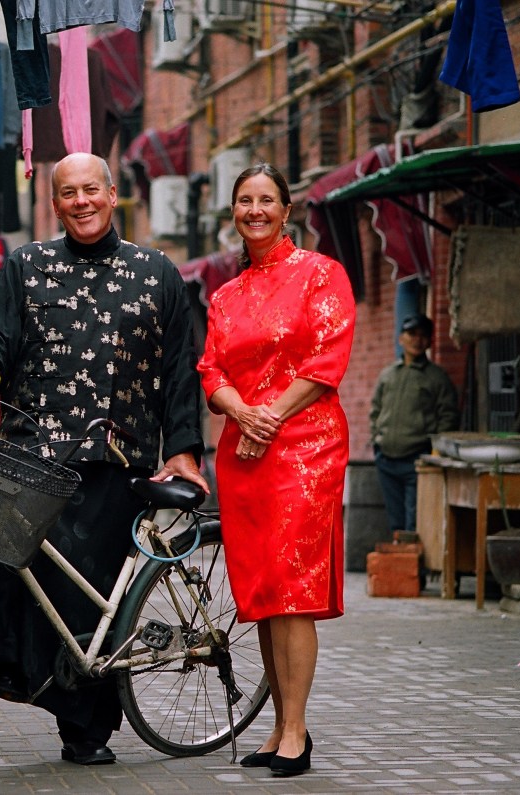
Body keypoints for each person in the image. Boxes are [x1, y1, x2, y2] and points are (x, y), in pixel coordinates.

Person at [0, 152, 207, 766]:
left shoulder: (156, 272)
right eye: (69, 193)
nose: (82, 201)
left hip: (119, 459)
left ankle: (86, 728)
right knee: (22, 583)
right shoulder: (27, 266)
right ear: (55, 203)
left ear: (113, 195)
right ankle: (27, 681)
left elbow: (180, 369)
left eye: (92, 189)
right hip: (34, 452)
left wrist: (184, 451)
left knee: (92, 597)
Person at [197, 163, 355, 778]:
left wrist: (267, 418)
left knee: (293, 590)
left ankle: (297, 730)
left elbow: (326, 358)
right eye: (245, 200)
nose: (255, 210)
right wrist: (242, 413)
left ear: (287, 210)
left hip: (305, 448)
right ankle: (278, 725)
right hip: (243, 453)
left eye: (267, 200)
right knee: (263, 593)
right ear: (233, 212)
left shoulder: (322, 274)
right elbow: (211, 370)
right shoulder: (225, 295)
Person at [370, 314, 460, 535]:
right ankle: (399, 554)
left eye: (423, 336)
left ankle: (414, 556)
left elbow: (448, 416)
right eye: (412, 334)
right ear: (401, 338)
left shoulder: (436, 377)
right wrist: (377, 442)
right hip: (386, 459)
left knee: (415, 520)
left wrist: (434, 450)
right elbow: (375, 410)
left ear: (430, 342)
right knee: (395, 520)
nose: (417, 340)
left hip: (417, 459)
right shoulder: (388, 374)